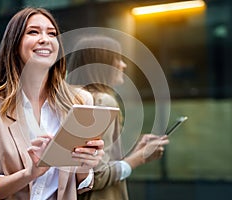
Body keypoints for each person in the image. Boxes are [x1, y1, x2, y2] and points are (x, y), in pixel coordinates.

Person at [0, 7, 105, 200]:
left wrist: (86, 165)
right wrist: (30, 173)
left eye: (52, 33)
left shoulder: (80, 101)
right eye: (33, 32)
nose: (45, 39)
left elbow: (82, 184)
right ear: (14, 44)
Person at [66, 35, 169, 200]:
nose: (123, 65)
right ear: (102, 65)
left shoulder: (70, 100)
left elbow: (96, 165)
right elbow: (97, 176)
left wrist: (134, 152)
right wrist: (139, 158)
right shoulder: (102, 101)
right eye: (118, 59)